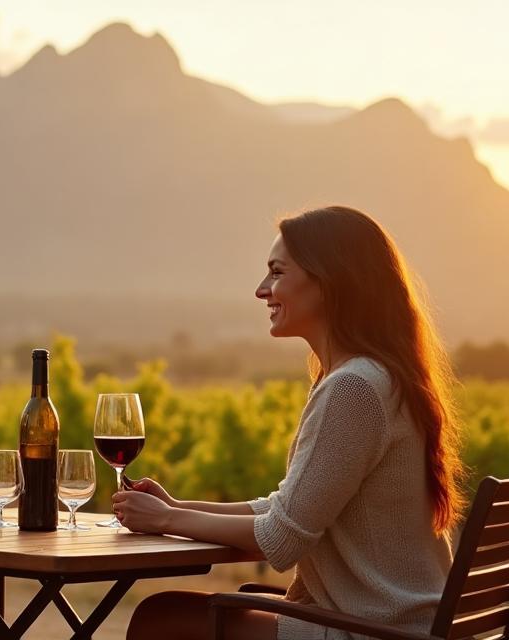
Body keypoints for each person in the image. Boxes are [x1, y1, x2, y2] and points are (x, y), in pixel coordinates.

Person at [112, 206, 463, 640]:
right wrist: (179, 507)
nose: (262, 290)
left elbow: (281, 537)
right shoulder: (379, 377)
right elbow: (288, 509)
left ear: (329, 281)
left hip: (375, 631)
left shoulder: (353, 389)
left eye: (277, 273)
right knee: (187, 611)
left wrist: (165, 521)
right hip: (399, 624)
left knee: (162, 620)